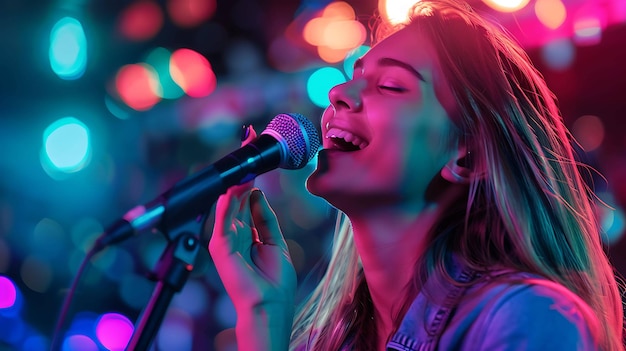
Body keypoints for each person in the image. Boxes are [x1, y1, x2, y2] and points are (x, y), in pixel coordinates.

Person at [208, 0, 625, 350]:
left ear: (467, 158)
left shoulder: (527, 319)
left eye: (390, 85)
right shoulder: (328, 340)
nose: (337, 94)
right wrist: (264, 316)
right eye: (354, 77)